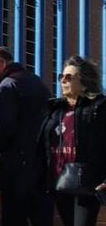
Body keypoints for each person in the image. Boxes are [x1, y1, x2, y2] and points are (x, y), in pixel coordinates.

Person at [0, 46, 54, 226]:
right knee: (40, 216)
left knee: (13, 216)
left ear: (2, 62)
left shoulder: (7, 85)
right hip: (39, 162)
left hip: (14, 163)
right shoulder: (36, 82)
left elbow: (1, 126)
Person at [40, 56, 106, 226]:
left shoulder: (98, 108)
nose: (63, 80)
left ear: (83, 83)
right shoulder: (55, 110)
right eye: (61, 76)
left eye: (69, 77)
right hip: (59, 180)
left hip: (86, 181)